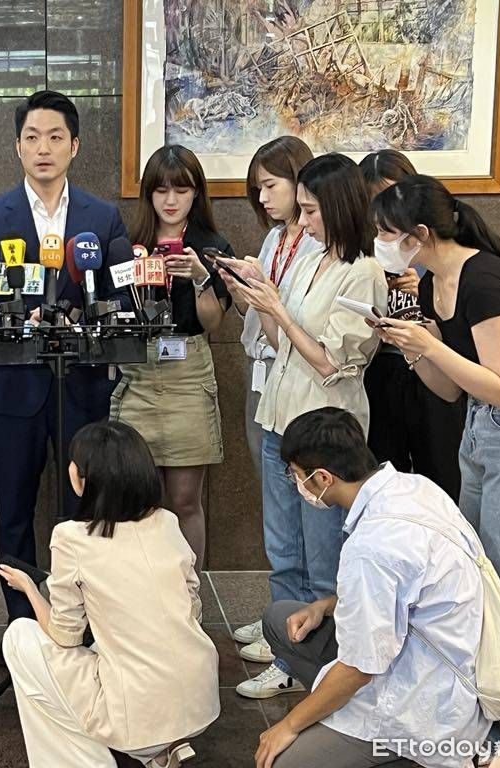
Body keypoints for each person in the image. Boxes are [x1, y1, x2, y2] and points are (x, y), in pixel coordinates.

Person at [371, 174, 500, 739]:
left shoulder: (485, 281)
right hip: (480, 426)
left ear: (419, 233)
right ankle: (480, 722)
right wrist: (413, 349)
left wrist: (430, 344)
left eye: (387, 233)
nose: (381, 243)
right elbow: (451, 389)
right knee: (475, 577)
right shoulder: (434, 282)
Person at [0, 90, 129, 629]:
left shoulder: (102, 217)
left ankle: (81, 622)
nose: (43, 148)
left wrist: (88, 318)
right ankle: (24, 627)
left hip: (84, 387)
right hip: (14, 389)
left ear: (75, 146)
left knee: (86, 508)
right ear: (18, 147)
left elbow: (121, 297)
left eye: (55, 137)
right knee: (14, 511)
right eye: (32, 138)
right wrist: (11, 320)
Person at [218, 153, 387, 696]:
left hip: (323, 433)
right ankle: (285, 645)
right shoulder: (312, 258)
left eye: (312, 211)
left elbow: (330, 361)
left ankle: (320, 667)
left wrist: (279, 309)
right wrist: (259, 299)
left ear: (338, 208)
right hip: (280, 415)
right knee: (282, 544)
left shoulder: (364, 272)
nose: (304, 220)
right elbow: (278, 341)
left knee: (322, 556)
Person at [254, 407, 488, 768]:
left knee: (284, 761)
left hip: (424, 708)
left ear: (322, 478)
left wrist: (288, 725)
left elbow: (360, 668)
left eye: (296, 475)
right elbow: (404, 588)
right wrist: (326, 605)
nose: (296, 483)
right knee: (280, 619)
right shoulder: (415, 487)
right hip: (438, 660)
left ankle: (403, 758)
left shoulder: (371, 547)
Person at [0, 421, 219, 768]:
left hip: (137, 715)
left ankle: (91, 761)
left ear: (83, 478)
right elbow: (192, 604)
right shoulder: (166, 521)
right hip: (200, 701)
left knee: (20, 637)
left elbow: (65, 636)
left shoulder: (71, 537)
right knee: (116, 643)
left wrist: (29, 588)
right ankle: (160, 752)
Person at [109, 144, 232, 571]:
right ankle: (146, 591)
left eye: (181, 190)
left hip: (187, 373)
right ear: (148, 194)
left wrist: (200, 278)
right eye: (161, 190)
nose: (171, 200)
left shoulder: (212, 247)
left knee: (184, 499)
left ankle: (189, 594)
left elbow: (213, 323)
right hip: (138, 374)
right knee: (140, 499)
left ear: (197, 193)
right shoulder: (128, 245)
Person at [229, 136, 323, 659]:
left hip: (303, 384)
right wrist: (243, 290)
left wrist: (266, 300)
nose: (263, 198)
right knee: (279, 515)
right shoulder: (274, 238)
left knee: (307, 519)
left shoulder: (322, 248)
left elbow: (305, 331)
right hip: (266, 375)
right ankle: (281, 614)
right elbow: (264, 317)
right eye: (258, 189)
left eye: (270, 186)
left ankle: (298, 632)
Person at [358, 150, 464, 501]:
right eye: (375, 202)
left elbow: (456, 319)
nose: (385, 211)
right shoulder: (368, 246)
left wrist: (421, 289)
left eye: (393, 196)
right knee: (387, 475)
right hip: (382, 367)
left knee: (441, 473)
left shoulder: (436, 246)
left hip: (434, 370)